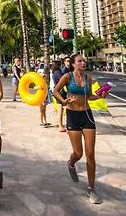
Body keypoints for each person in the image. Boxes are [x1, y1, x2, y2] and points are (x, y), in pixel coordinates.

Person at [53, 53, 108, 205]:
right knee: (78, 153)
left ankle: (91, 188)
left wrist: (101, 95)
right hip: (72, 116)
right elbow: (55, 91)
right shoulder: (67, 77)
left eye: (84, 61)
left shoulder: (88, 78)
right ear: (73, 64)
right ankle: (71, 163)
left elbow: (90, 97)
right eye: (80, 61)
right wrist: (64, 101)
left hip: (87, 115)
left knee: (90, 153)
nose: (83, 63)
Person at [51, 59, 66, 132]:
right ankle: (60, 125)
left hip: (56, 91)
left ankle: (59, 123)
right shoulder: (58, 72)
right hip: (60, 92)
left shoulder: (54, 72)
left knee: (60, 109)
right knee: (60, 109)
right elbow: (63, 81)